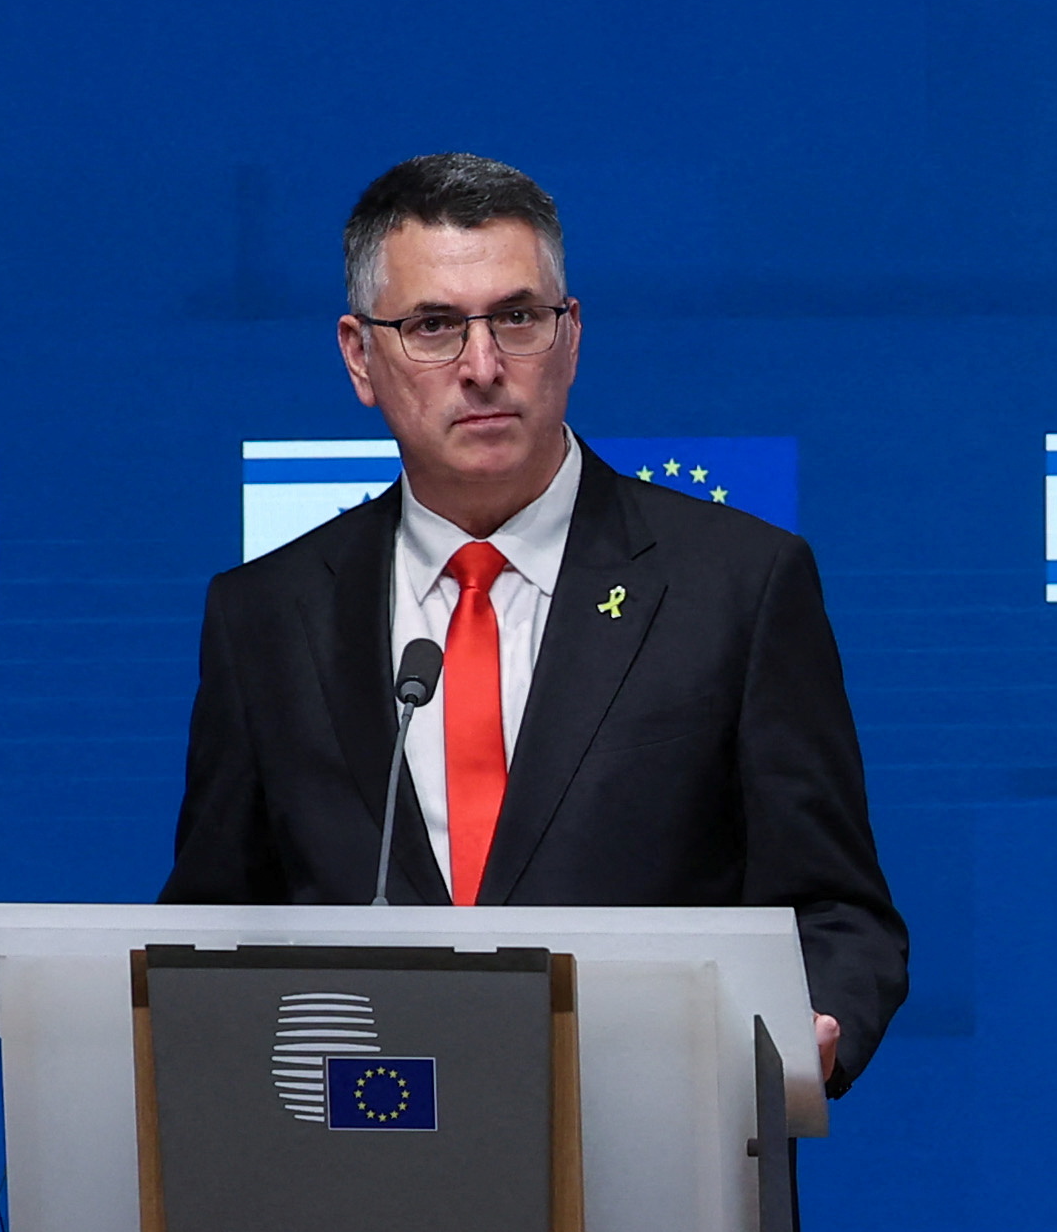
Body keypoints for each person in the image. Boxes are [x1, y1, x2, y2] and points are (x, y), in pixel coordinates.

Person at [163, 153, 911, 1088]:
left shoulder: (738, 587)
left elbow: (837, 914)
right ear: (360, 356)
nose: (482, 367)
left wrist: (813, 1024)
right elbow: (212, 933)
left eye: (518, 318)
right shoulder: (268, 615)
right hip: (359, 1181)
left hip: (660, 1169)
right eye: (433, 326)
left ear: (571, 335)